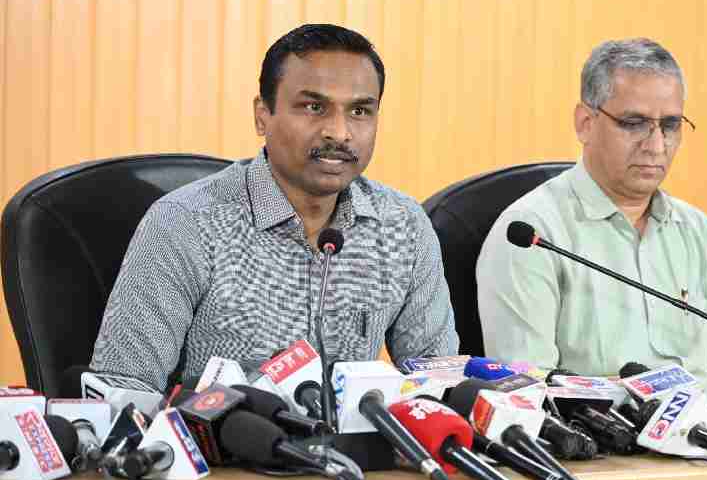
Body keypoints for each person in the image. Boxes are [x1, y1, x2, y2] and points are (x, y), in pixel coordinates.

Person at [91, 24, 458, 391]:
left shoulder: (404, 225)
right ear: (262, 115)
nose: (339, 132)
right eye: (314, 107)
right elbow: (123, 389)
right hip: (221, 429)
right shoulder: (185, 224)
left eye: (360, 111)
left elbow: (437, 382)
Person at [476, 38, 707, 410]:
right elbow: (527, 388)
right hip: (600, 442)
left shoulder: (698, 233)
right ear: (585, 123)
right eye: (634, 123)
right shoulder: (532, 234)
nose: (656, 145)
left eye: (670, 125)